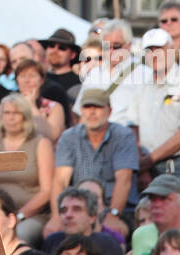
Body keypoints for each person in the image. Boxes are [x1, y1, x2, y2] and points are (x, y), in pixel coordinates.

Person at [129, 28, 180, 215]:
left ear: (171, 50)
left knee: (177, 224)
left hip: (178, 166)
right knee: (146, 221)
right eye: (149, 50)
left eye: (159, 49)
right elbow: (133, 125)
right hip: (147, 166)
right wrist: (143, 164)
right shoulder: (140, 83)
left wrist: (145, 162)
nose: (154, 55)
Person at [51, 89, 138, 239]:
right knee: (53, 232)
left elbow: (124, 180)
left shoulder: (123, 136)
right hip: (78, 205)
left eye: (97, 107)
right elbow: (60, 180)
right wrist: (56, 216)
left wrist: (113, 214)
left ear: (109, 111)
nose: (92, 113)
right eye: (87, 107)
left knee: (116, 230)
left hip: (116, 207)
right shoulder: (68, 137)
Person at [0, 93, 53, 244]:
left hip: (29, 216)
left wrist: (19, 215)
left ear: (25, 117)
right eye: (7, 113)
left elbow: (46, 191)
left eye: (16, 113)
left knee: (18, 235)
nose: (11, 118)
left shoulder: (41, 144)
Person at [42, 187, 125, 255]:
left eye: (76, 209)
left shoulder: (107, 244)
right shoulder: (52, 241)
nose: (68, 215)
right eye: (63, 210)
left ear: (92, 217)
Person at [75, 18, 138, 124]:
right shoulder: (94, 73)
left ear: (129, 45)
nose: (111, 51)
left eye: (116, 46)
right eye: (107, 46)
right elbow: (80, 111)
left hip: (125, 135)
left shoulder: (144, 73)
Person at [9, 57, 65, 143]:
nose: (27, 80)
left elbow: (53, 136)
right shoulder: (6, 106)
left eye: (32, 76)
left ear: (41, 80)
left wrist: (31, 105)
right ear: (17, 80)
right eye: (22, 76)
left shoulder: (54, 107)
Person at [38, 28, 82, 113]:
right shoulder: (39, 78)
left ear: (72, 54)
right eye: (51, 45)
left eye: (62, 48)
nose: (55, 50)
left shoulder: (79, 82)